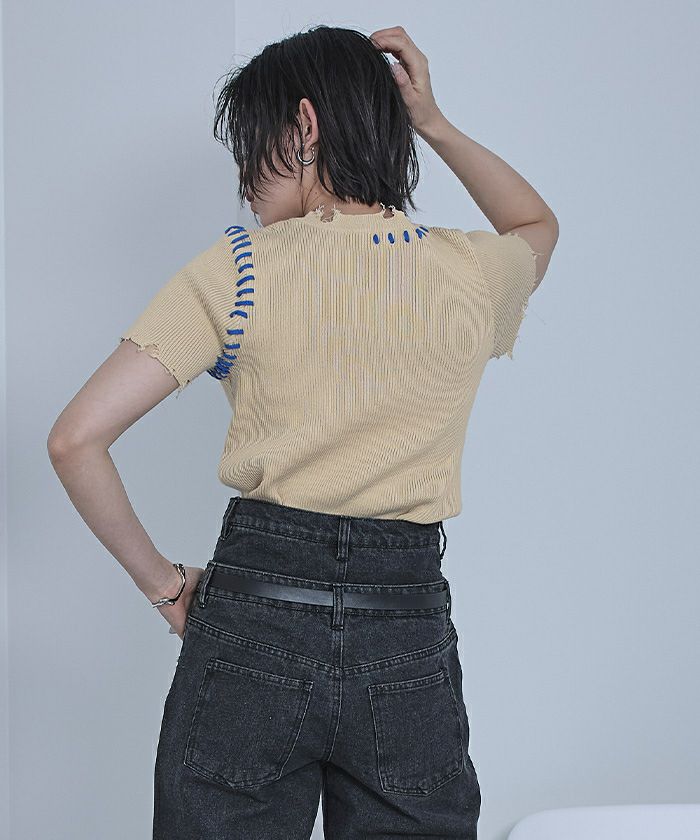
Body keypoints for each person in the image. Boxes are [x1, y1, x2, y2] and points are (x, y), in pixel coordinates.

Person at [47, 23, 558, 840]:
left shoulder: (238, 269)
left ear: (305, 127)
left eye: (252, 147)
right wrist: (432, 122)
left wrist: (167, 589)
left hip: (254, 616)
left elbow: (75, 440)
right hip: (405, 622)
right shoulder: (471, 269)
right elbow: (534, 223)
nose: (244, 183)